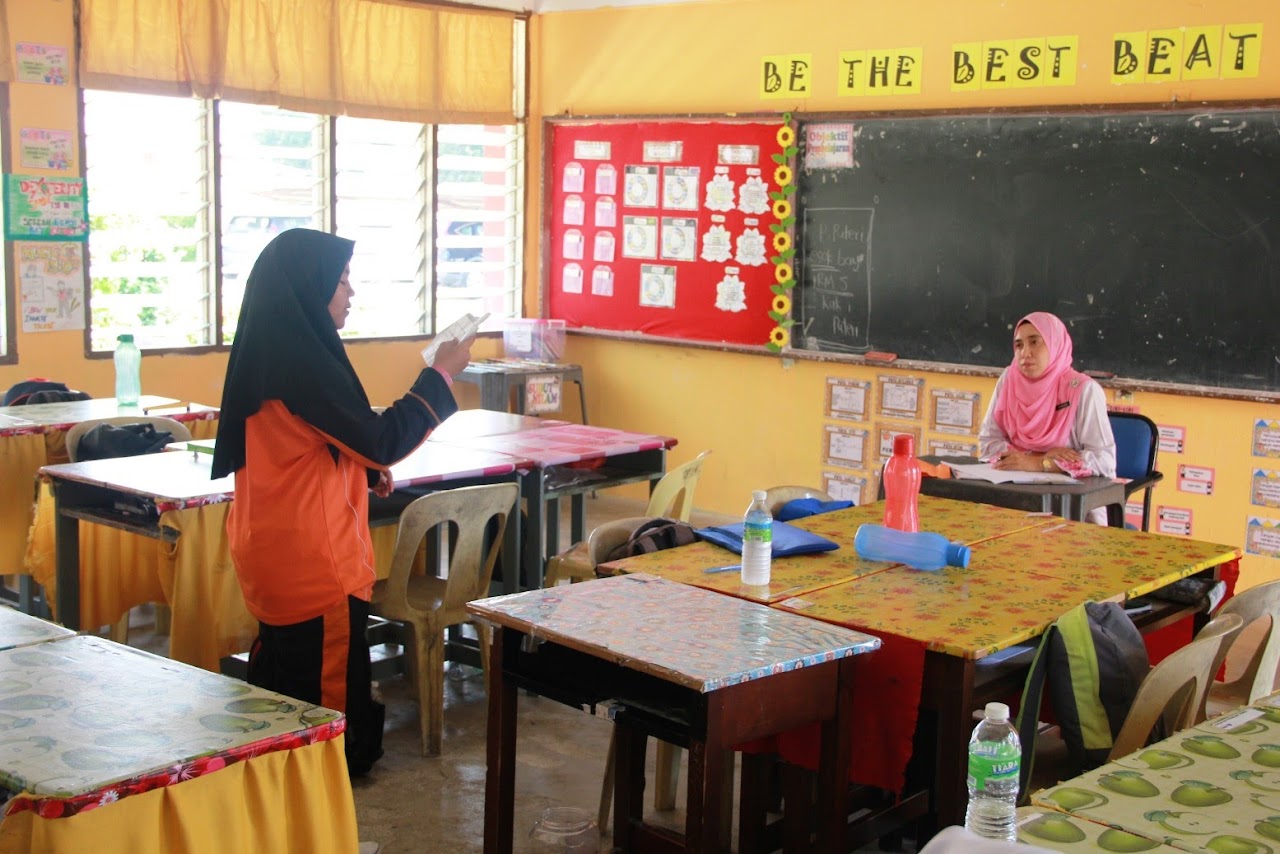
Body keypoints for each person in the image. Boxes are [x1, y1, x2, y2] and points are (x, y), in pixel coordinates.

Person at [212, 228, 473, 775]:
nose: (350, 292)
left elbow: (308, 442)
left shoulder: (271, 350)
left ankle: (281, 776)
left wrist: (363, 466)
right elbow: (381, 438)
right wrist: (441, 374)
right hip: (315, 562)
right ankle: (324, 788)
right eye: (341, 280)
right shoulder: (303, 365)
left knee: (288, 675)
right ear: (312, 287)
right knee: (328, 709)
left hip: (270, 547)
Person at [978, 311, 1116, 524]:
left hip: (1072, 510)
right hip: (1012, 500)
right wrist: (1038, 457)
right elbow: (988, 443)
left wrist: (1039, 464)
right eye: (1019, 345)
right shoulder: (1009, 380)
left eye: (1035, 342)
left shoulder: (1083, 390)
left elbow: (1104, 460)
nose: (1025, 353)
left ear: (1055, 344)